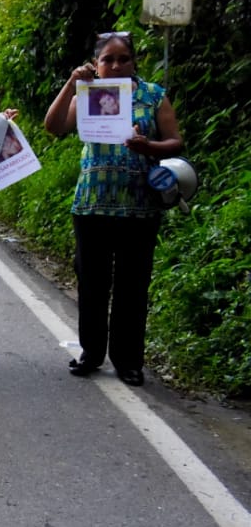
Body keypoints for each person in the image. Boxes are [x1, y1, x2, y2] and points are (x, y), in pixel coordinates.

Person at [42, 31, 183, 386]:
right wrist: (72, 84)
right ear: (97, 64)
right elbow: (54, 127)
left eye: (123, 58)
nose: (116, 65)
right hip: (92, 206)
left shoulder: (153, 96)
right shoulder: (88, 94)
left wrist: (147, 145)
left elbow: (175, 142)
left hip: (139, 208)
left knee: (132, 287)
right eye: (108, 59)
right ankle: (91, 352)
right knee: (92, 284)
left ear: (134, 62)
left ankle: (128, 361)